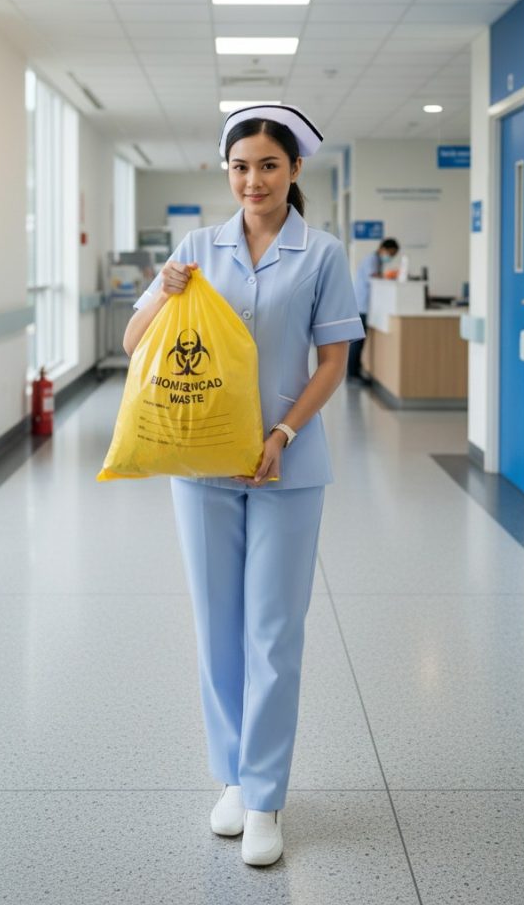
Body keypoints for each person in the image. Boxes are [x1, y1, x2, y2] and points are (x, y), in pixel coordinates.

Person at [123, 104, 363, 867]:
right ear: (225, 173)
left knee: (273, 633)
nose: (251, 180)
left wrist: (282, 433)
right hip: (200, 468)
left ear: (294, 171)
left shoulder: (321, 255)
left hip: (288, 469)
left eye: (267, 165)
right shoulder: (196, 248)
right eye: (239, 167)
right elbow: (133, 345)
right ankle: (230, 776)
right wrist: (161, 290)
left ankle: (265, 796)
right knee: (217, 628)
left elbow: (333, 363)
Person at [347, 237, 400, 380]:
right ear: (383, 249)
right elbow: (374, 277)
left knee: (358, 341)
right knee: (357, 342)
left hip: (362, 305)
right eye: (391, 253)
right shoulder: (372, 260)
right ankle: (352, 374)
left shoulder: (375, 260)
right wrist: (391, 276)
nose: (391, 257)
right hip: (361, 305)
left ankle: (354, 371)